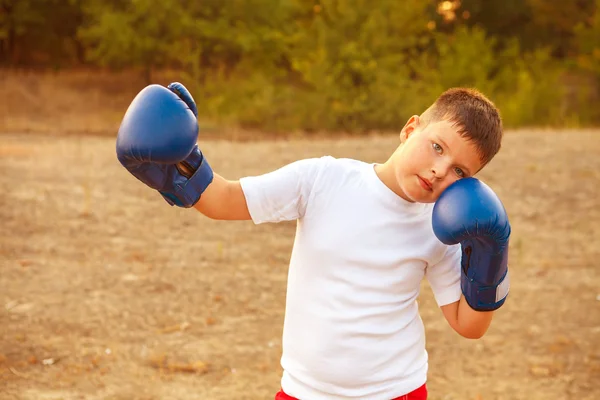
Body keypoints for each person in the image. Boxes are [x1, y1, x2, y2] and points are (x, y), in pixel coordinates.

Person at [116, 82, 511, 400]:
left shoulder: (443, 227)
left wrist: (494, 257)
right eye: (437, 147)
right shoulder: (324, 179)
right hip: (304, 391)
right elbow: (224, 200)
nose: (440, 169)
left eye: (460, 170)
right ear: (411, 129)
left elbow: (469, 325)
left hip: (395, 391)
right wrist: (184, 165)